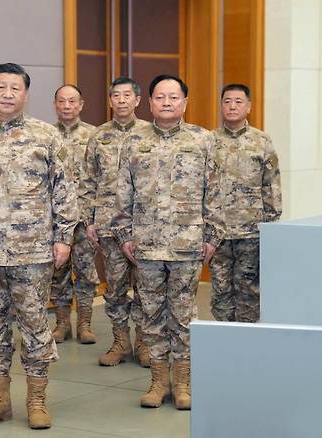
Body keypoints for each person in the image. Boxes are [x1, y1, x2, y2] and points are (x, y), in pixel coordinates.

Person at [0, 63, 78, 429]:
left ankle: (36, 400)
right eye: (1, 87)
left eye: (15, 88)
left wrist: (63, 238)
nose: (7, 93)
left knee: (35, 325)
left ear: (25, 94)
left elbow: (63, 191)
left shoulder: (46, 136)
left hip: (33, 251)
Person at [113, 75, 225, 410]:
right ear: (149, 102)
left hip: (187, 244)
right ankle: (158, 382)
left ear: (184, 103)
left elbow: (215, 192)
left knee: (184, 314)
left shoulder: (203, 141)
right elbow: (123, 193)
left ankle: (183, 384)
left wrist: (213, 236)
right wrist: (123, 234)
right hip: (145, 244)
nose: (166, 102)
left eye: (173, 97)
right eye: (160, 97)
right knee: (151, 313)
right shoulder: (133, 141)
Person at [80, 77, 152, 367]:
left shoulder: (150, 133)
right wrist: (90, 220)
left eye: (127, 95)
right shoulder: (99, 136)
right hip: (109, 225)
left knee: (148, 288)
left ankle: (145, 342)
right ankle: (120, 341)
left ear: (137, 100)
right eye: (116, 96)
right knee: (116, 287)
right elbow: (88, 180)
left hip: (146, 225)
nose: (121, 100)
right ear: (109, 101)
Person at [209, 83, 282, 322]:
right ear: (221, 105)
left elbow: (271, 184)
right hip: (218, 232)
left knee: (249, 289)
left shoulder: (262, 141)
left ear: (248, 106)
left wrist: (271, 224)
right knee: (220, 289)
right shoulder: (209, 141)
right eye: (227, 101)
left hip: (251, 231)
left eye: (238, 101)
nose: (232, 106)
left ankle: (247, 342)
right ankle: (224, 340)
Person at [49, 84, 99, 345]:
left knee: (86, 271)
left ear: (81, 105)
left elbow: (99, 178)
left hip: (83, 219)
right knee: (57, 271)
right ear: (55, 104)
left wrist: (94, 216)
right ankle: (61, 324)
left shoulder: (94, 135)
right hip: (54, 219)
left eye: (72, 101)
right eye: (61, 101)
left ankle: (85, 324)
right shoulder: (46, 135)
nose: (66, 106)